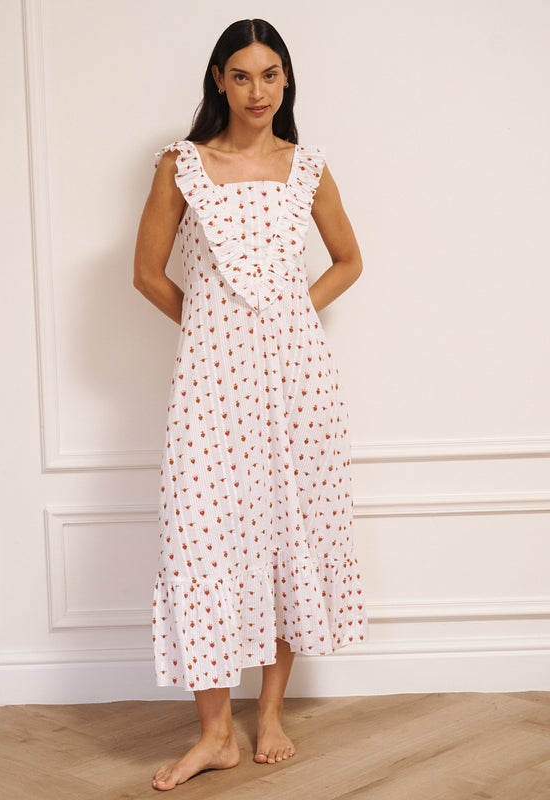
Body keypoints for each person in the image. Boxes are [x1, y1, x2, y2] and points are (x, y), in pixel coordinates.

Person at [133, 18, 368, 792]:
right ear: (217, 80)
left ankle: (268, 714)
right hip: (208, 383)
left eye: (271, 75)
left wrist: (289, 314)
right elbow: (147, 272)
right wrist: (213, 328)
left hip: (297, 380)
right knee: (198, 538)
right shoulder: (182, 165)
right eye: (242, 75)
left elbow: (348, 259)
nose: (258, 91)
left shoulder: (308, 167)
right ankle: (213, 734)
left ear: (287, 81)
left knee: (286, 529)